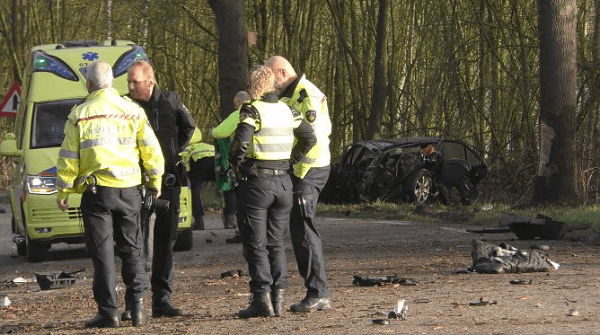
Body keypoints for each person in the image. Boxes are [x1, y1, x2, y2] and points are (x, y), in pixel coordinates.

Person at [56, 61, 164, 328]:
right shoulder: (133, 111)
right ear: (112, 82)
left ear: (89, 84)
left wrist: (64, 189)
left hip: (97, 194)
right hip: (129, 191)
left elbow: (69, 157)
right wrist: (155, 180)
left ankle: (109, 313)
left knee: (103, 254)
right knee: (132, 249)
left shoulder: (80, 114)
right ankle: (137, 309)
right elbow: (151, 149)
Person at [230, 66, 316, 318]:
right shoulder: (289, 110)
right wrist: (290, 161)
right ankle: (278, 300)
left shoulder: (251, 110)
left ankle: (261, 299)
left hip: (257, 183)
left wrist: (236, 166)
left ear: (253, 85)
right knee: (276, 243)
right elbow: (310, 138)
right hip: (283, 183)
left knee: (256, 244)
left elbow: (240, 144)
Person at [126, 60, 196, 319]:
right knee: (133, 243)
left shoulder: (171, 101)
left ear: (150, 81)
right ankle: (132, 301)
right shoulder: (126, 106)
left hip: (168, 180)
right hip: (136, 180)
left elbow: (189, 126)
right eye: (129, 82)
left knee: (165, 240)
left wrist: (173, 151)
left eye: (136, 82)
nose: (131, 86)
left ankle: (161, 299)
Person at [265, 55, 333, 313]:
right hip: (302, 169)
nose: (270, 85)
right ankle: (316, 291)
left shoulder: (307, 95)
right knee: (297, 229)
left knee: (303, 229)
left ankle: (319, 293)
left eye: (271, 78)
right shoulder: (290, 95)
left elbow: (313, 137)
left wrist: (294, 168)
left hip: (309, 169)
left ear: (281, 72)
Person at [212, 90, 251, 242]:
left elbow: (220, 132)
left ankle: (238, 228)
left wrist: (212, 132)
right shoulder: (264, 110)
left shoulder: (239, 114)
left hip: (240, 158)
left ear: (238, 103)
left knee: (235, 190)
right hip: (262, 161)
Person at [181, 128, 237, 230]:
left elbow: (184, 163)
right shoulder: (207, 145)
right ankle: (230, 219)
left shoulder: (187, 149)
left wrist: (188, 177)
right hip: (216, 157)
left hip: (199, 162)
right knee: (227, 186)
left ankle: (199, 222)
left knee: (194, 191)